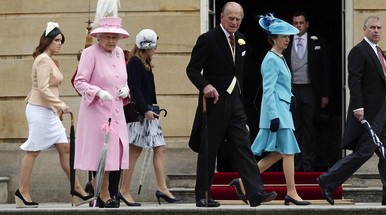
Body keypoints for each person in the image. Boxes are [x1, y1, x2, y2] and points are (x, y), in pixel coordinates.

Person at [186, 1, 277, 208]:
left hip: (236, 103)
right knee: (209, 149)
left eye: (238, 19)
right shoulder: (208, 39)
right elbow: (192, 69)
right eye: (231, 18)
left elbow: (239, 73)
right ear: (221, 17)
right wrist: (205, 85)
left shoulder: (242, 40)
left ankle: (255, 193)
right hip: (215, 101)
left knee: (244, 147)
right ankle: (203, 195)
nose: (234, 22)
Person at [317, 16, 386, 206]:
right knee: (365, 151)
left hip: (385, 109)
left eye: (379, 28)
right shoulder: (359, 51)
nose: (376, 31)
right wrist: (358, 106)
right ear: (364, 29)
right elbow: (355, 80)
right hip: (371, 110)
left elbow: (382, 80)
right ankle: (328, 180)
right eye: (373, 27)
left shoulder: (379, 52)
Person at [230, 14, 311, 206]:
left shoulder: (279, 57)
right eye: (284, 36)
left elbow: (283, 86)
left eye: (288, 37)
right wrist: (274, 116)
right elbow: (268, 89)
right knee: (288, 151)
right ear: (274, 37)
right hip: (278, 113)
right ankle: (291, 192)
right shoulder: (270, 59)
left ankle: (242, 183)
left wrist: (291, 98)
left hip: (283, 110)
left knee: (279, 153)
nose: (287, 39)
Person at [16, 22, 92, 208]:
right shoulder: (43, 59)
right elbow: (42, 88)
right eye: (57, 40)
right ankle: (22, 192)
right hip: (39, 109)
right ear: (48, 41)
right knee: (33, 150)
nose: (60, 44)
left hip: (48, 111)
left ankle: (78, 189)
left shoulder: (49, 60)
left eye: (61, 41)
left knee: (65, 148)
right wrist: (61, 105)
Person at [118, 29, 181, 206]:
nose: (156, 48)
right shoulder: (136, 63)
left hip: (148, 113)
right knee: (136, 151)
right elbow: (135, 89)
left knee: (158, 148)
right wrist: (145, 109)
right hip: (141, 115)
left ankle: (161, 188)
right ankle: (124, 190)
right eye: (154, 44)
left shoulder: (142, 61)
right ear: (147, 46)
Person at [73, 15, 130, 208]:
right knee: (103, 153)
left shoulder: (120, 53)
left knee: (114, 154)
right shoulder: (90, 53)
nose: (111, 41)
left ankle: (96, 187)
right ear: (99, 37)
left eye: (115, 37)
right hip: (96, 112)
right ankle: (103, 194)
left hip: (116, 110)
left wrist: (126, 89)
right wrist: (97, 92)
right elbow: (79, 82)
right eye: (107, 37)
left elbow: (122, 78)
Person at [283, 11, 332, 172]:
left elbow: (326, 70)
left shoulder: (318, 42)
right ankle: (295, 166)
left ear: (307, 24)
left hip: (311, 90)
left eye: (301, 23)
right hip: (292, 90)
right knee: (294, 127)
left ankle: (308, 165)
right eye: (295, 23)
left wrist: (325, 94)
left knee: (310, 128)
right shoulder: (285, 42)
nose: (298, 26)